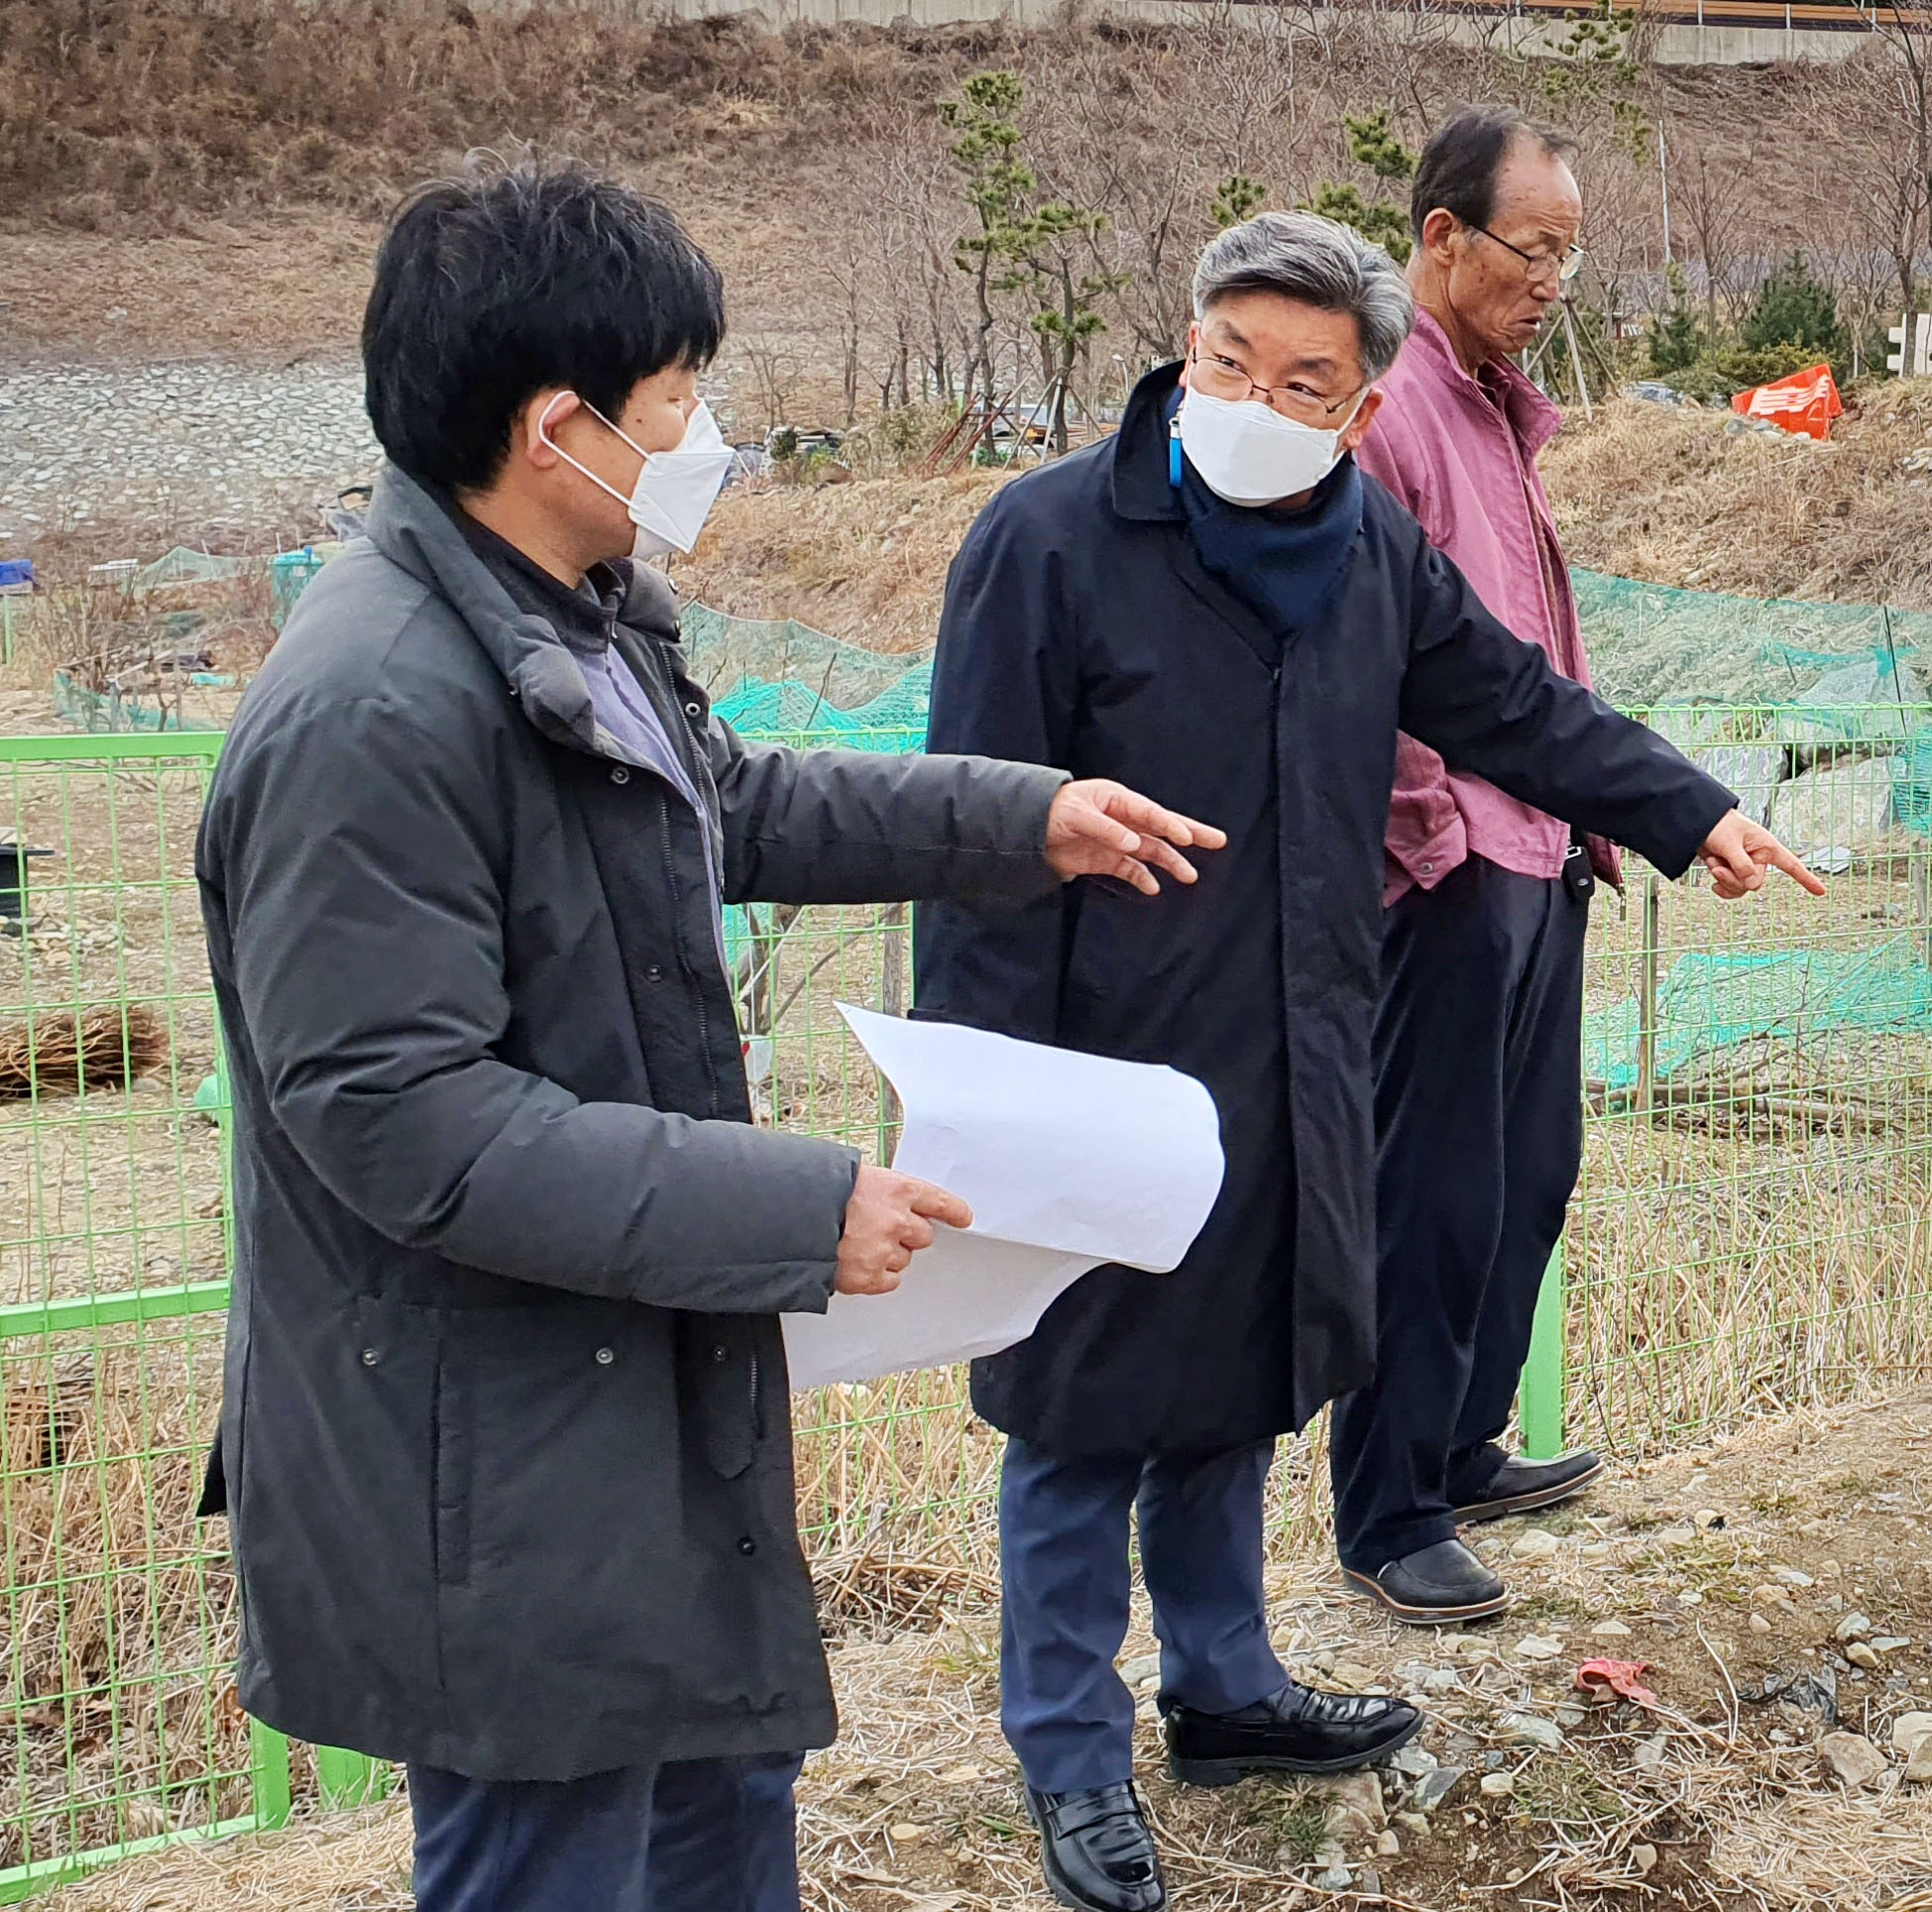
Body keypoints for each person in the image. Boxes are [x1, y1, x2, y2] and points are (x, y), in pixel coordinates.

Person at [194, 157, 1217, 1912]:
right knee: (555, 1856)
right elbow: (401, 1116)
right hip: (491, 1448)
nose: (710, 433)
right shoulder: (375, 709)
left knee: (709, 1820)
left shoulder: (565, 624)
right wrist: (790, 1211)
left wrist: (1016, 817)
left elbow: (722, 803)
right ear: (560, 426)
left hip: (624, 1386)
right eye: (681, 398)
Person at [915, 209, 1823, 1912]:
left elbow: (1514, 706)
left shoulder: (1362, 557)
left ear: (1362, 406)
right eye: (1228, 365)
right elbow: (972, 828)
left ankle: (1225, 1686)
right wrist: (984, 1095)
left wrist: (1689, 809)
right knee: (1079, 1410)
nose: (1257, 400)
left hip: (1292, 1038)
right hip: (1095, 1057)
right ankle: (1066, 1749)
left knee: (1243, 1372)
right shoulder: (1044, 543)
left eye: (1304, 380)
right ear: (1185, 354)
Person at [1327, 105, 1619, 1628]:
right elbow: (1366, 663)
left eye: (1568, 252)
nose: (1552, 280)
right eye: (1534, 248)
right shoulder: (1393, 415)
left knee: (1526, 1177)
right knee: (1425, 1193)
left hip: (1541, 848)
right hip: (1448, 864)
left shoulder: (1497, 411)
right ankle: (1382, 1507)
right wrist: (1429, 840)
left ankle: (1454, 1445)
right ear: (1439, 239)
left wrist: (1583, 820)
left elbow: (1531, 655)